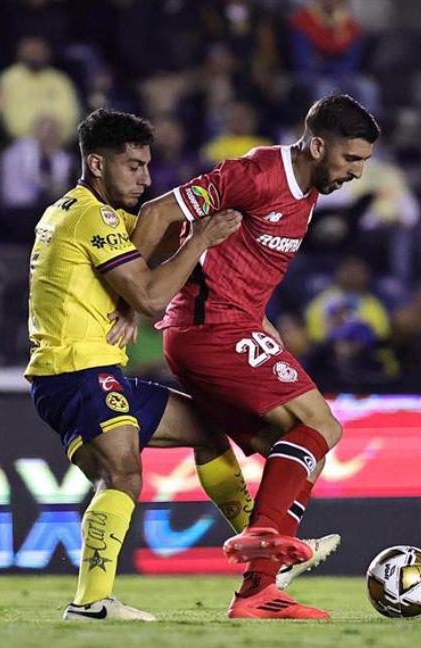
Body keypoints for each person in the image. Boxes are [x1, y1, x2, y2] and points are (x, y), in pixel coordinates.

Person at [27, 109, 283, 622]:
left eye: (148, 166)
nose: (145, 179)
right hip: (75, 370)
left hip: (92, 371)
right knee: (121, 474)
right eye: (134, 166)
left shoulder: (85, 212)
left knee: (209, 429)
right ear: (96, 164)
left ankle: (264, 552)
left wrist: (201, 219)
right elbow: (148, 294)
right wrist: (200, 241)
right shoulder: (88, 216)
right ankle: (91, 602)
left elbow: (153, 242)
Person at [131, 94, 380, 619]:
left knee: (297, 447)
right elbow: (156, 213)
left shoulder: (310, 191)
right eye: (351, 159)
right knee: (322, 427)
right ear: (317, 145)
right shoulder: (254, 173)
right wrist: (129, 299)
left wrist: (275, 343)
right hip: (208, 330)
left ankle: (259, 586)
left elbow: (242, 278)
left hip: (235, 326)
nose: (357, 172)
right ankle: (267, 549)